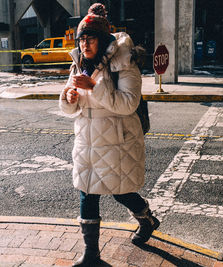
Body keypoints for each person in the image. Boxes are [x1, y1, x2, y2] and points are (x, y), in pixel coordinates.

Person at [59, 3, 160, 266]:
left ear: (103, 40)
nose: (84, 44)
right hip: (86, 141)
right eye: (81, 38)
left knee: (121, 191)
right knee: (87, 192)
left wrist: (94, 87)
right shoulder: (79, 63)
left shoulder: (124, 64)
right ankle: (91, 255)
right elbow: (71, 105)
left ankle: (147, 220)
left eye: (90, 38)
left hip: (117, 141)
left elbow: (128, 104)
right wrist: (70, 98)